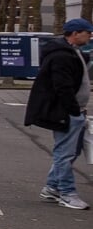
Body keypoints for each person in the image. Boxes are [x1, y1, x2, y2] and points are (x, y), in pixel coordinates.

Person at [27, 18, 93, 209]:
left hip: (73, 111)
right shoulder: (63, 56)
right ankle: (67, 193)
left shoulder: (71, 52)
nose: (90, 36)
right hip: (67, 112)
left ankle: (52, 187)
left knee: (69, 152)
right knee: (64, 153)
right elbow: (62, 86)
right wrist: (73, 110)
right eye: (87, 32)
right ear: (75, 34)